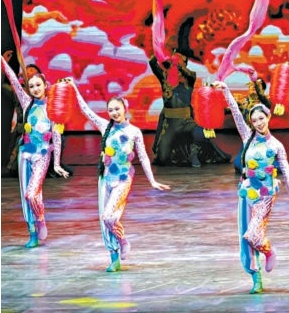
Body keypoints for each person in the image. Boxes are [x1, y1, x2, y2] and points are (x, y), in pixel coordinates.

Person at [217, 80, 289, 294]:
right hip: (247, 192)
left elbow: (286, 170)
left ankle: (268, 251)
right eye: (254, 120)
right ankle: (256, 279)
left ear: (268, 117)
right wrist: (226, 91)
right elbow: (236, 113)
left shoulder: (276, 145)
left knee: (253, 235)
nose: (258, 123)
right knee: (245, 238)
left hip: (265, 195)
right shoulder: (247, 137)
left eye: (261, 118)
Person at [72, 83, 170, 271]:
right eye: (110, 110)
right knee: (105, 221)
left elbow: (143, 157)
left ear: (125, 108)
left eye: (117, 109)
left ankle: (123, 240)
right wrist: (74, 88)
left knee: (109, 217)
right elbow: (85, 110)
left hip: (123, 180)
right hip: (105, 179)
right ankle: (114, 257)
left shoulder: (134, 132)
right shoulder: (105, 126)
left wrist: (152, 181)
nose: (114, 113)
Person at [1, 57, 69, 247]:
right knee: (27, 195)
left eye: (38, 85)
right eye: (31, 86)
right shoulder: (26, 103)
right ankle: (32, 233)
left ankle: (40, 219)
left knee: (32, 194)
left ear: (45, 85)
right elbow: (12, 78)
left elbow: (56, 137)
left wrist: (57, 163)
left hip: (42, 155)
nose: (35, 89)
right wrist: (2, 60)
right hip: (25, 154)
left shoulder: (52, 108)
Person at [149, 53, 229, 167]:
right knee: (162, 159)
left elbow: (185, 71)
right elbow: (152, 63)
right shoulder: (164, 77)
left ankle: (193, 151)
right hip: (170, 124)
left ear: (184, 63)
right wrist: (160, 53)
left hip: (186, 121)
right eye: (175, 59)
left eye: (180, 59)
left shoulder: (190, 77)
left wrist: (177, 64)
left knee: (201, 134)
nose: (176, 61)